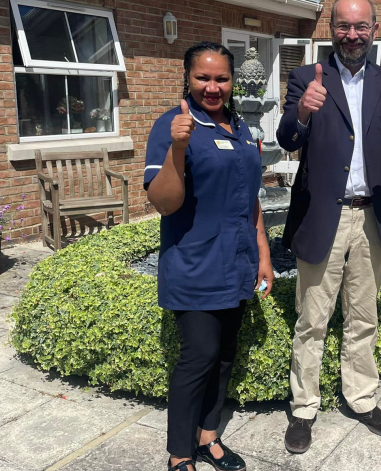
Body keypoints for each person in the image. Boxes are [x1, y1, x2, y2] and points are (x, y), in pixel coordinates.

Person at [276, 0, 381, 454]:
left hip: (372, 218)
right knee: (312, 318)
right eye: (343, 26)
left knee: (363, 316)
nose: (352, 35)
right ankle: (304, 407)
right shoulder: (306, 77)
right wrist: (301, 112)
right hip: (325, 215)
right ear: (331, 30)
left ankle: (359, 398)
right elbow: (286, 139)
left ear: (375, 30)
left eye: (361, 27)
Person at [144, 41, 274, 471]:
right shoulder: (173, 126)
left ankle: (208, 437)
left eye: (221, 78)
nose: (212, 87)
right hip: (196, 264)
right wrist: (177, 149)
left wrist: (263, 254)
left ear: (233, 82)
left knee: (223, 356)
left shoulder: (239, 128)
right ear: (187, 77)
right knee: (197, 358)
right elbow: (164, 203)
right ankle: (180, 452)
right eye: (203, 77)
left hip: (236, 262)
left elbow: (250, 199)